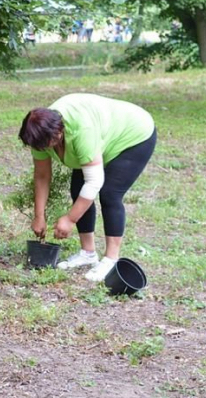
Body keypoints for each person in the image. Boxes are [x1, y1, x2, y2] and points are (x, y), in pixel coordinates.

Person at [18, 94, 157, 282]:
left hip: (133, 134)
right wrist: (39, 216)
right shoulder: (38, 133)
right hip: (102, 135)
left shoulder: (82, 130)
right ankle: (88, 253)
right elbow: (42, 176)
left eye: (45, 147)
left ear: (58, 134)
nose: (42, 151)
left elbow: (94, 182)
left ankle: (111, 260)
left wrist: (70, 219)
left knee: (110, 193)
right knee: (77, 188)